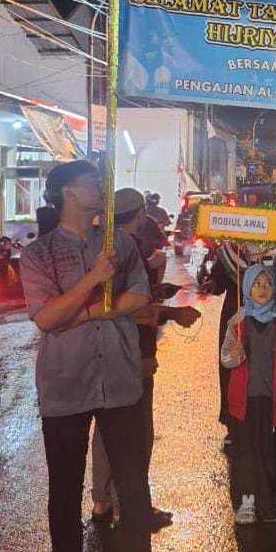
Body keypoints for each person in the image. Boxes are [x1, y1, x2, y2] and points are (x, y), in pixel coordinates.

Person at [19, 160, 157, 552]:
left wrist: (86, 313)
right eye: (92, 182)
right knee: (64, 486)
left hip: (119, 379)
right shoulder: (38, 254)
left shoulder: (121, 243)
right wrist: (94, 279)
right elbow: (46, 318)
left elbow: (139, 296)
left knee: (133, 479)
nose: (101, 186)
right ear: (69, 193)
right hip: (65, 383)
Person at [91, 188, 200, 532]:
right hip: (131, 352)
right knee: (135, 432)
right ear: (140, 214)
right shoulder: (129, 249)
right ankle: (129, 506)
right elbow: (127, 308)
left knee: (106, 427)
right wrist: (171, 312)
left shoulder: (98, 247)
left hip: (102, 351)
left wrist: (156, 295)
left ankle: (101, 500)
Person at [220, 265, 276, 524]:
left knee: (272, 450)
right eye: (257, 283)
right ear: (247, 288)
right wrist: (233, 356)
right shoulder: (238, 321)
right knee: (247, 451)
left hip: (272, 399)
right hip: (245, 400)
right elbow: (225, 358)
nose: (262, 289)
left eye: (268, 283)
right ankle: (246, 500)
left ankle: (272, 499)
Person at [206, 242, 248, 443]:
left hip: (265, 313)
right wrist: (212, 282)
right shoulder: (229, 251)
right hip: (234, 315)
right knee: (232, 366)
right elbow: (218, 285)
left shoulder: (273, 246)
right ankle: (233, 422)